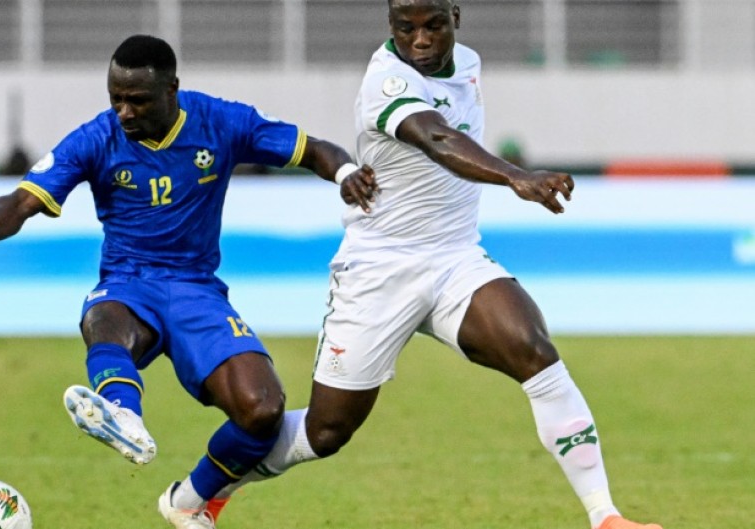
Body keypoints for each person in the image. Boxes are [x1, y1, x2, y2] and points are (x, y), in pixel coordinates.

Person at [208, 2, 663, 529]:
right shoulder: (386, 81)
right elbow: (438, 138)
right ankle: (205, 488)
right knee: (326, 433)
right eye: (407, 29)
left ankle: (605, 517)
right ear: (390, 28)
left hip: (454, 259)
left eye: (433, 26)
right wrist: (516, 176)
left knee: (535, 352)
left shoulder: (467, 62)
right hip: (379, 270)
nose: (420, 39)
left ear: (456, 17)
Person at [0, 34, 377, 529]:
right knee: (104, 319)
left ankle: (189, 500)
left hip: (197, 290)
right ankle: (122, 414)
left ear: (172, 88)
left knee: (263, 410)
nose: (124, 112)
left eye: (137, 100)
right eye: (115, 99)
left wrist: (343, 171)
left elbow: (311, 148)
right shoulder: (96, 137)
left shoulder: (221, 121)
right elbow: (24, 200)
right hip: (128, 282)